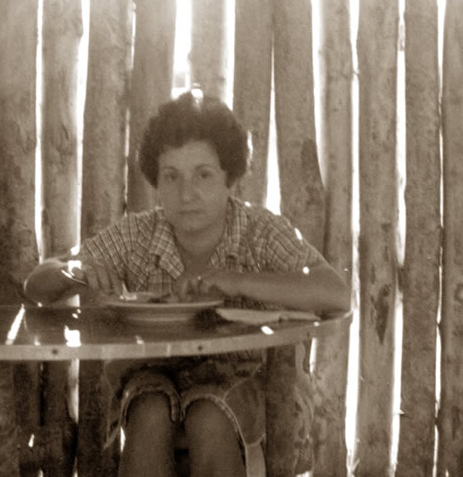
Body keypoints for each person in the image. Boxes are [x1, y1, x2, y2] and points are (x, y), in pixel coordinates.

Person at [23, 90, 350, 477]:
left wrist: (237, 281)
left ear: (229, 178)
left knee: (208, 415)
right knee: (149, 413)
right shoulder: (138, 234)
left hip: (256, 378)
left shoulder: (260, 231)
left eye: (203, 174)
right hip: (156, 377)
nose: (187, 193)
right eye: (171, 176)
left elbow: (335, 293)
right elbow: (37, 285)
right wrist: (74, 272)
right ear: (156, 183)